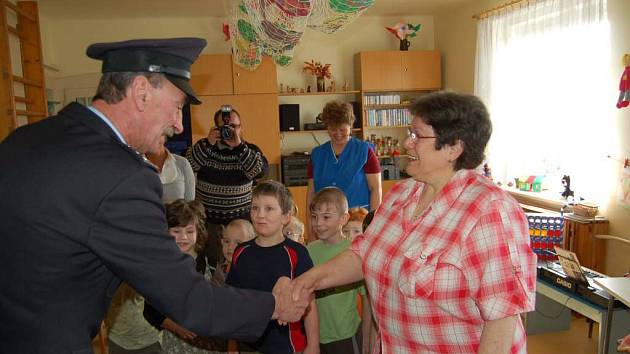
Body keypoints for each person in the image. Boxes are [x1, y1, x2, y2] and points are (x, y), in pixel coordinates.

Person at [0, 37, 306, 353]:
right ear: (142, 92)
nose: (177, 123)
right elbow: (189, 299)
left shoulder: (25, 138)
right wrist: (275, 305)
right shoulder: (124, 176)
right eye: (177, 107)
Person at [292, 91, 537, 354]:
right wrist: (309, 281)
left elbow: (501, 321)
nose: (407, 143)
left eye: (417, 136)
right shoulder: (401, 194)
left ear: (454, 148)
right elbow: (364, 253)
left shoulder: (489, 212)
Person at [106, 134, 197, 354]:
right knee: (134, 305)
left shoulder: (181, 164)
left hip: (174, 239)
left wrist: (182, 233)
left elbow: (190, 206)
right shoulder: (128, 166)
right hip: (140, 242)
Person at [226, 180, 319, 354]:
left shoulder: (297, 253)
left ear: (286, 216)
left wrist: (313, 345)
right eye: (255, 208)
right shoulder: (241, 251)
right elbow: (234, 301)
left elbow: (310, 303)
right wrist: (232, 344)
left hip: (287, 346)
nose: (260, 215)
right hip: (247, 345)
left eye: (269, 209)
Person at [186, 105, 268, 276]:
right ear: (216, 128)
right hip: (209, 224)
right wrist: (206, 144)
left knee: (243, 266)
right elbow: (187, 166)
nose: (230, 132)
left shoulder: (249, 150)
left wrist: (239, 146)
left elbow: (260, 172)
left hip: (241, 224)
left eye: (234, 127)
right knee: (210, 268)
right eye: (225, 128)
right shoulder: (204, 148)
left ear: (241, 127)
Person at [144, 199, 227, 354]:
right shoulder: (161, 267)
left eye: (189, 231)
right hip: (175, 343)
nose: (183, 237)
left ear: (199, 232)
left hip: (210, 344)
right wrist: (175, 327)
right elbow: (150, 310)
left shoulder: (211, 262)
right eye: (176, 231)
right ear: (166, 231)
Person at [306, 187, 374, 354]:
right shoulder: (308, 250)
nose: (318, 223)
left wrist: (366, 335)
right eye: (314, 217)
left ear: (344, 218)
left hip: (346, 336)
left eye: (326, 217)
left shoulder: (353, 252)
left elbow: (367, 298)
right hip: (315, 337)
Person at [307, 100, 381, 212]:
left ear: (350, 126)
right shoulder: (317, 155)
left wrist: (372, 221)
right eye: (332, 129)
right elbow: (311, 193)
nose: (338, 134)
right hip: (325, 219)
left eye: (342, 129)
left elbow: (375, 189)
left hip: (358, 218)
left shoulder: (365, 151)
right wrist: (311, 225)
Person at [146, 134, 196, 203]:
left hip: (180, 213)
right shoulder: (136, 165)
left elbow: (190, 205)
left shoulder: (182, 163)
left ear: (165, 136)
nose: (154, 137)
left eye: (159, 131)